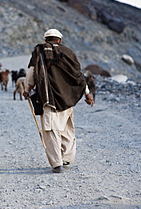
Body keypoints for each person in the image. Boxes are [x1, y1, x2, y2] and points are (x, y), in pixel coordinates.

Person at [23, 28, 94, 173]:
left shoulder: (40, 52)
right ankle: (67, 157)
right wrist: (88, 93)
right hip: (67, 98)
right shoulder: (69, 53)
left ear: (45, 40)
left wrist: (27, 88)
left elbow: (32, 72)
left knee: (51, 131)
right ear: (60, 40)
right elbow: (78, 76)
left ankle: (57, 163)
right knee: (67, 129)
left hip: (49, 98)